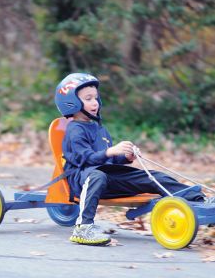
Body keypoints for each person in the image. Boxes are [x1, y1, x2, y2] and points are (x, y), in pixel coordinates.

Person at [55, 73, 213, 246]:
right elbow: (82, 158)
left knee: (154, 177)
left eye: (96, 98)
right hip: (83, 178)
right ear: (72, 102)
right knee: (97, 176)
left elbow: (110, 162)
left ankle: (200, 202)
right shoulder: (75, 130)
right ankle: (83, 228)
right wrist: (110, 152)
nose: (95, 102)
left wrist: (125, 157)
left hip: (107, 177)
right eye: (88, 98)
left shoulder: (99, 129)